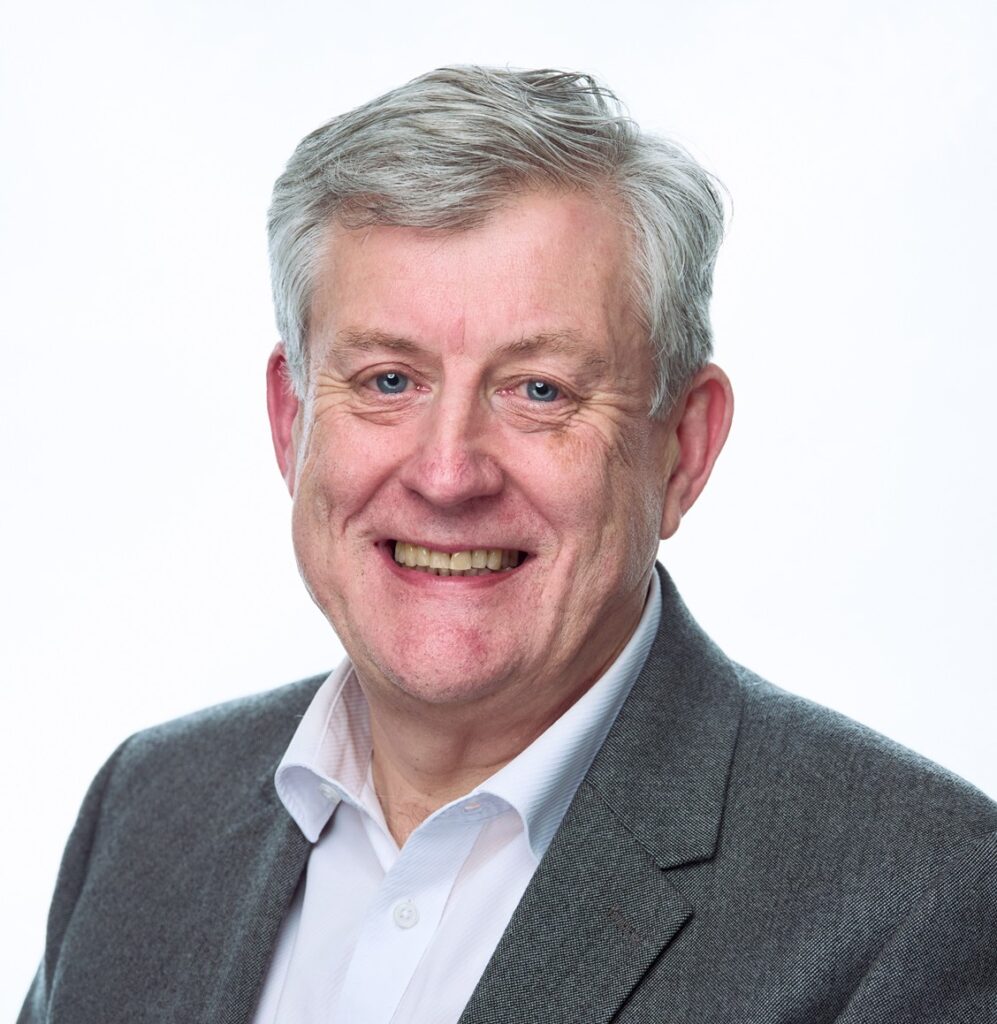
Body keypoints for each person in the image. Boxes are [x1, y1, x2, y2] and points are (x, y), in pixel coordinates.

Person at [20, 67, 997, 1024]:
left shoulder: (914, 897)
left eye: (539, 391)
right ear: (292, 421)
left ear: (682, 448)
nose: (448, 474)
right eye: (388, 381)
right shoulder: (147, 812)